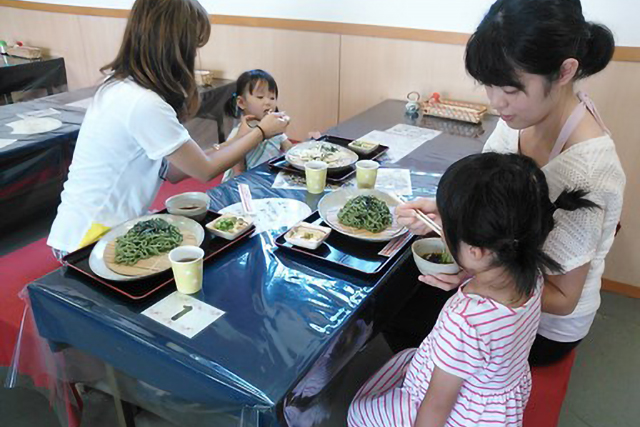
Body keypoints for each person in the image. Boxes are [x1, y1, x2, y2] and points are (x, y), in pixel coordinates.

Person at [395, 0, 625, 366]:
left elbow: (564, 298)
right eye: (488, 85)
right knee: (402, 276)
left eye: (510, 89)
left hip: (543, 325)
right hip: (501, 274)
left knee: (404, 312)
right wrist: (450, 213)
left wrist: (475, 282)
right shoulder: (521, 115)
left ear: (564, 71)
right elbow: (495, 201)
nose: (496, 102)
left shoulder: (590, 170)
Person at [349, 153, 598, 427]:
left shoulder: (464, 320)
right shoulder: (530, 273)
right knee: (408, 359)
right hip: (496, 402)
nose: (442, 232)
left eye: (447, 230)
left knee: (361, 412)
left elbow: (436, 407)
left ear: (477, 252)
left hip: (461, 414)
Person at [47, 0, 289, 255]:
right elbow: (205, 171)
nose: (194, 56)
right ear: (174, 47)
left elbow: (173, 170)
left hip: (93, 226)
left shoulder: (121, 86)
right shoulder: (143, 103)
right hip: (88, 238)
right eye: (193, 46)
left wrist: (234, 140)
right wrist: (261, 132)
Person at [221, 69, 294, 182]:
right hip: (246, 183)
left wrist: (309, 148)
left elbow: (289, 149)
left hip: (267, 177)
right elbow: (238, 172)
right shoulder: (239, 134)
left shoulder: (275, 127)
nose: (268, 102)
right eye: (260, 97)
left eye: (272, 98)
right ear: (241, 102)